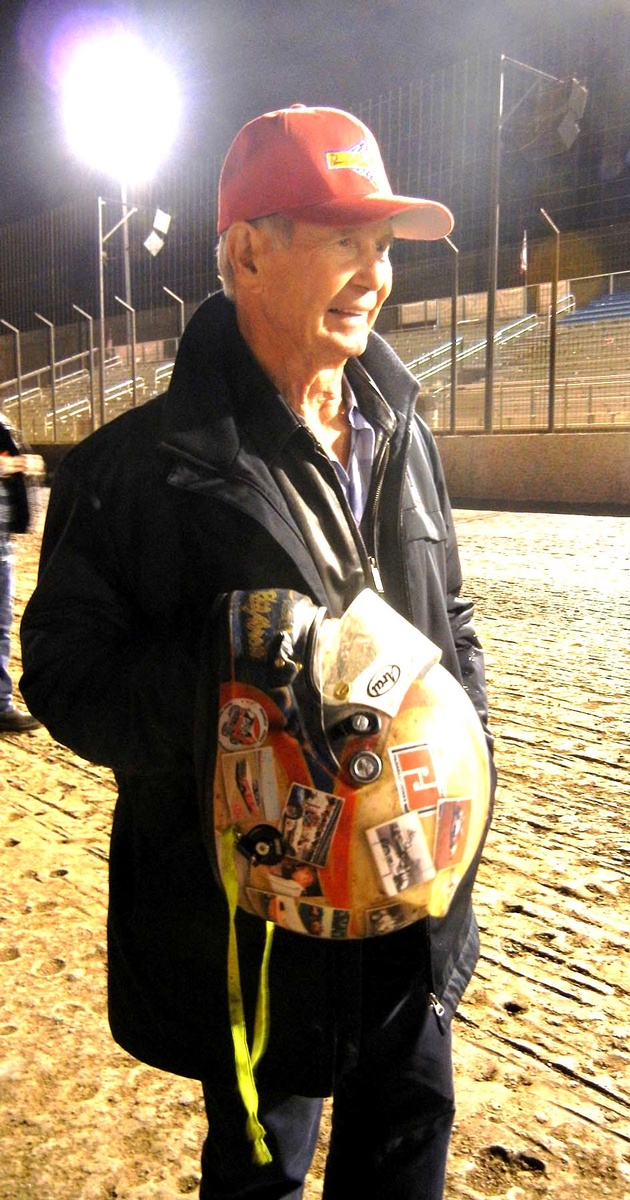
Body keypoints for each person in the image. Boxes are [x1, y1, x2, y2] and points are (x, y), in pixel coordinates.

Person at [20, 104, 493, 1199]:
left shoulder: (402, 430)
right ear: (245, 251)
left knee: (403, 1148)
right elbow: (65, 677)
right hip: (255, 928)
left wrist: (462, 747)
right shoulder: (133, 471)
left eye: (381, 247)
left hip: (409, 907)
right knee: (261, 1170)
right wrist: (229, 683)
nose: (372, 274)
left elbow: (453, 615)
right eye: (342, 239)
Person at [0, 417, 42, 732]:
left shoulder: (3, 423)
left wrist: (25, 465)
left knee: (1, 628)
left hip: (2, 543)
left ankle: (1, 705)